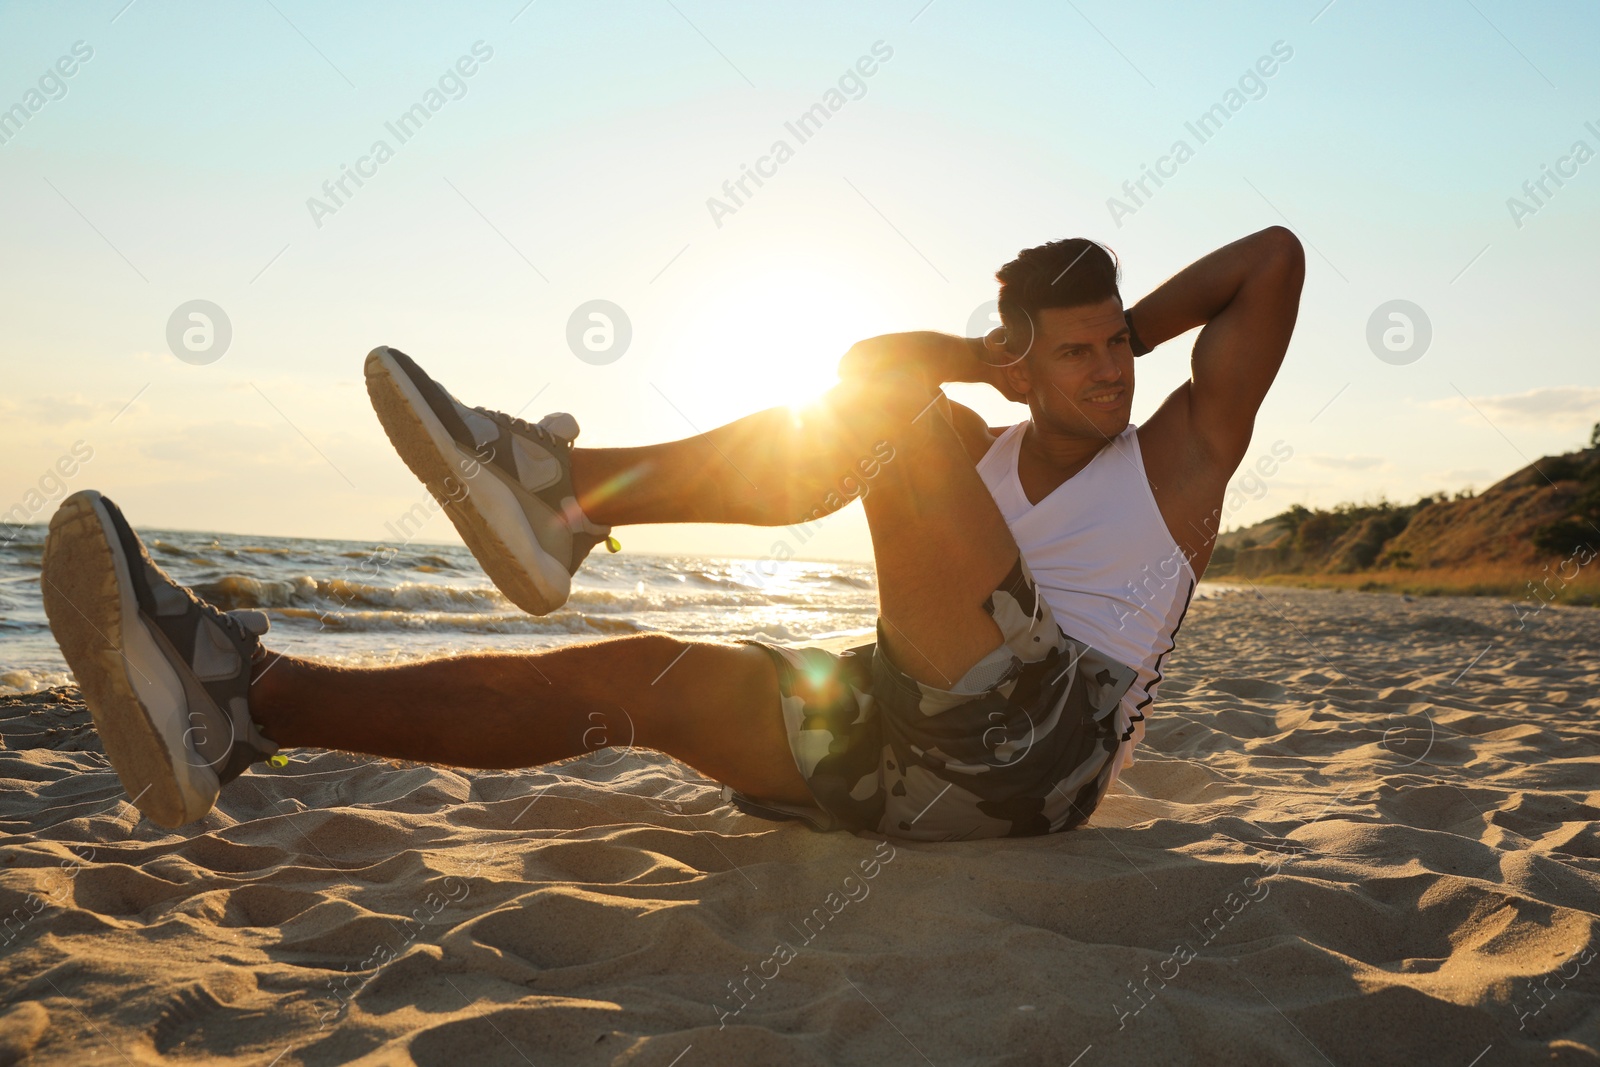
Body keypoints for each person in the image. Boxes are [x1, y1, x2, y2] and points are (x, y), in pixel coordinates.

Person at [39, 227, 1304, 842]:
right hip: (911, 738)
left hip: (1047, 741)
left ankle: (568, 499)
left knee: (891, 423)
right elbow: (862, 364)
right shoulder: (975, 451)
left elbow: (1272, 260)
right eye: (1075, 354)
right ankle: (243, 700)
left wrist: (1121, 318)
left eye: (1116, 352)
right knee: (637, 677)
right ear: (1022, 363)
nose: (1108, 376)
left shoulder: (1180, 455)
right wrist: (997, 356)